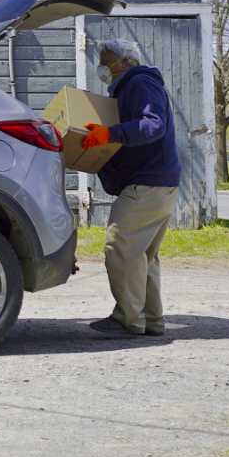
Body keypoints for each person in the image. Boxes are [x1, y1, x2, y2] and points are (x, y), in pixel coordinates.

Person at [79, 36, 180, 338]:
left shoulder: (139, 83)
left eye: (106, 60)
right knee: (142, 256)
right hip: (158, 183)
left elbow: (152, 125)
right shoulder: (132, 86)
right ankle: (151, 320)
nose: (102, 68)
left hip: (147, 184)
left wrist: (109, 134)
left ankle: (128, 318)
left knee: (120, 246)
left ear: (126, 61)